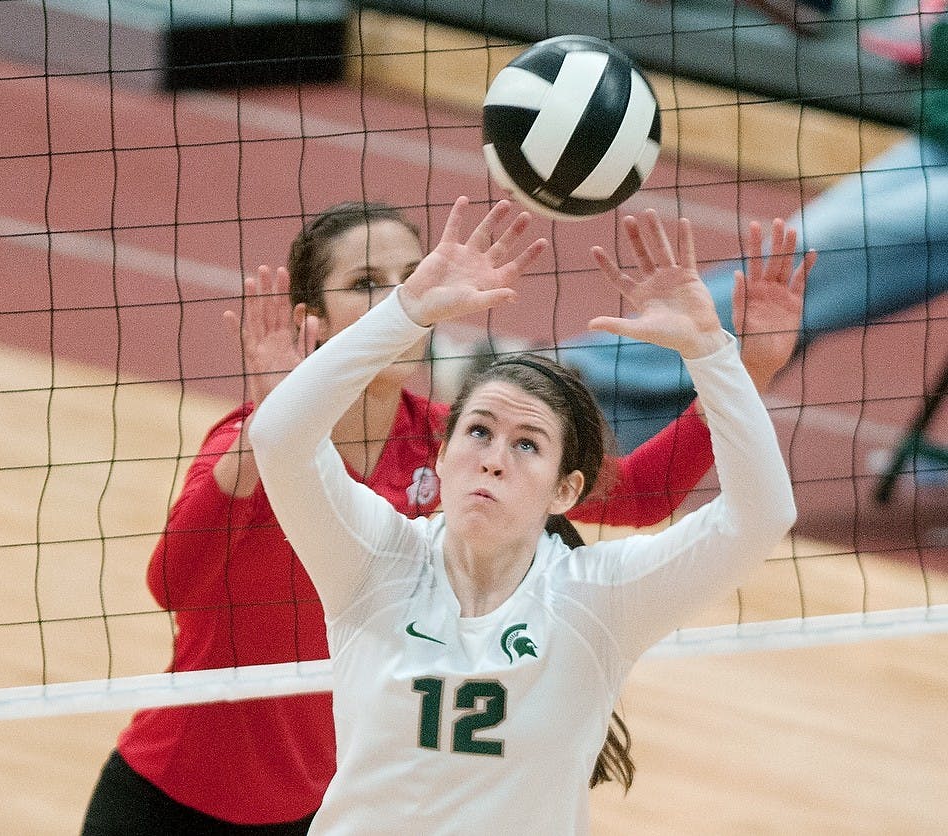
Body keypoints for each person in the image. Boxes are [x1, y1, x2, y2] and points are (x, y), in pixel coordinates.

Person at [80, 199, 808, 834]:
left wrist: (742, 372)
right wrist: (279, 408)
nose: (399, 298)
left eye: (409, 278)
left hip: (320, 796)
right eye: (368, 285)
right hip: (182, 789)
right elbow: (172, 584)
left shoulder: (458, 449)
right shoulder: (262, 448)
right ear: (312, 320)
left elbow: (640, 494)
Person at [562, 15, 948, 452]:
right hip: (937, 141)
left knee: (798, 275)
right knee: (790, 267)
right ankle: (619, 432)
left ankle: (579, 372)